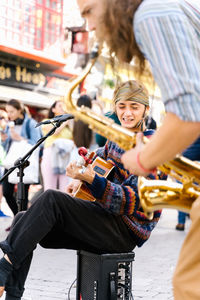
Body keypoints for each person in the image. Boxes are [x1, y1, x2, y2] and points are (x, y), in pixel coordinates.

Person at [76, 0, 200, 299]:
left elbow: (188, 114)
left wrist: (143, 157)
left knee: (189, 287)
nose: (89, 26)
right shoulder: (169, 8)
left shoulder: (151, 15)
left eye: (89, 11)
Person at [0, 80, 162, 300]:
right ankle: (12, 294)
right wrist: (82, 180)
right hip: (104, 221)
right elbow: (98, 161)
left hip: (124, 231)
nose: (127, 113)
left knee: (51, 199)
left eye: (134, 107)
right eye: (122, 106)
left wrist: (91, 178)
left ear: (146, 110)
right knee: (21, 217)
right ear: (115, 107)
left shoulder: (153, 146)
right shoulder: (116, 141)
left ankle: (2, 271)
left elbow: (131, 201)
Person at [1, 100, 42, 217]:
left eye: (12, 111)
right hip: (11, 162)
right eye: (8, 112)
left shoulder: (31, 123)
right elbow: (7, 146)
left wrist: (19, 138)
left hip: (24, 162)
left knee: (22, 195)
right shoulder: (10, 124)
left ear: (19, 110)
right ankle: (17, 217)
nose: (9, 114)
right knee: (7, 192)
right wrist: (4, 140)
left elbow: (36, 143)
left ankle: (21, 221)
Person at [40, 100, 73, 192]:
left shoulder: (68, 125)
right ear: (53, 109)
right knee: (50, 187)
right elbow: (54, 132)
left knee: (66, 187)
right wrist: (64, 122)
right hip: (50, 153)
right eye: (60, 106)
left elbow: (75, 138)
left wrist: (70, 123)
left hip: (66, 155)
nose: (63, 108)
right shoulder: (47, 121)